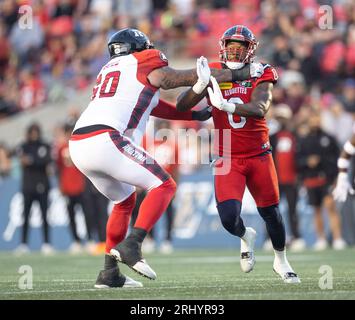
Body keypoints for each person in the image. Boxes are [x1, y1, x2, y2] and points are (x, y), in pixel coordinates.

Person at [69, 28, 262, 288]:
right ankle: (133, 245)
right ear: (141, 47)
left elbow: (151, 103)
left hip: (80, 144)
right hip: (106, 138)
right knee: (164, 185)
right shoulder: (144, 59)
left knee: (125, 201)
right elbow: (170, 79)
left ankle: (109, 273)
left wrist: (193, 115)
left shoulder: (110, 70)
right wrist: (239, 73)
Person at [176, 25, 300, 283]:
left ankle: (281, 260)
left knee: (272, 213)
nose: (233, 51)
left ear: (249, 50)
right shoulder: (212, 70)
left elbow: (260, 108)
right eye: (230, 46)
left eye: (239, 47)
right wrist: (200, 85)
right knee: (229, 218)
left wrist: (227, 105)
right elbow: (181, 105)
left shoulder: (261, 72)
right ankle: (246, 236)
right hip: (227, 157)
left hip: (258, 155)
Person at [296, 111, 346, 250]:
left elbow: (339, 157)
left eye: (317, 118)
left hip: (327, 178)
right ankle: (321, 239)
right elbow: (298, 161)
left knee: (330, 206)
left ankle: (337, 238)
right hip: (311, 180)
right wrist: (307, 162)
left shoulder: (329, 138)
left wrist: (336, 176)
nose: (315, 121)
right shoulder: (304, 140)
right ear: (309, 120)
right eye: (313, 118)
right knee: (316, 210)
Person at [269, 104, 305, 251]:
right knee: (272, 211)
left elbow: (300, 157)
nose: (281, 121)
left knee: (292, 210)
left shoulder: (295, 136)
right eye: (279, 118)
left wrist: (299, 174)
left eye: (283, 118)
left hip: (291, 180)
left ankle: (296, 237)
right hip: (275, 180)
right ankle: (270, 239)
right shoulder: (271, 138)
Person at [15, 123, 54, 255]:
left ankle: (47, 243)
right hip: (28, 186)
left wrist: (31, 161)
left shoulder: (44, 145)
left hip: (43, 185)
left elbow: (46, 160)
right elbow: (20, 157)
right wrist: (35, 161)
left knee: (45, 216)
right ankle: (23, 244)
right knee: (25, 216)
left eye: (36, 132)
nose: (34, 134)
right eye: (32, 132)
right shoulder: (24, 146)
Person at [56, 123, 94, 254]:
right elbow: (58, 168)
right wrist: (61, 186)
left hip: (81, 186)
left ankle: (90, 240)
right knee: (71, 216)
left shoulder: (80, 145)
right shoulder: (61, 148)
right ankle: (76, 241)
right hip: (67, 187)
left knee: (87, 214)